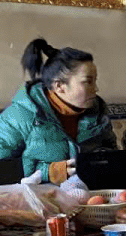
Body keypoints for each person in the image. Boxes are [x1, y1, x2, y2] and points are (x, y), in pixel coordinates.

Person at [0, 38, 115, 183]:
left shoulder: (98, 110)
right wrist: (48, 172)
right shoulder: (19, 116)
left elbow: (110, 151)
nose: (96, 89)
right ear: (59, 86)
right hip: (39, 199)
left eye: (95, 81)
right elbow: (3, 168)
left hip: (91, 197)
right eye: (88, 82)